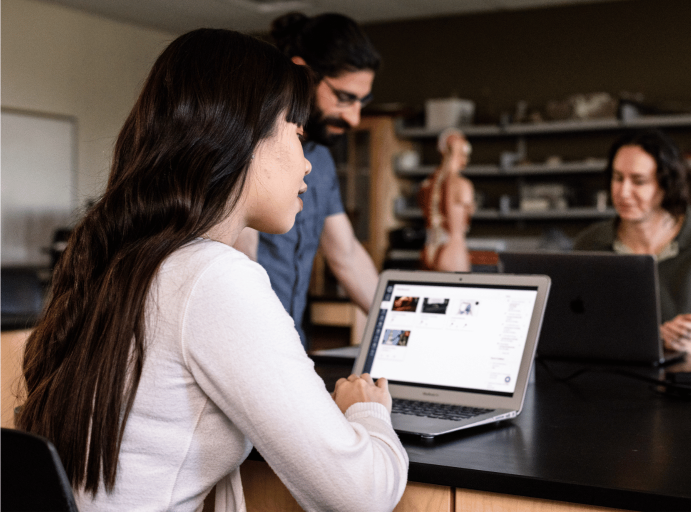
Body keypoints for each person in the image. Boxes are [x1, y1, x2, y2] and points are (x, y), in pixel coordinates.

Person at [16, 29, 407, 512]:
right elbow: (361, 495)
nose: (308, 166)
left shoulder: (121, 258)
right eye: (298, 134)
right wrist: (366, 410)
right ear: (244, 136)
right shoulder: (213, 278)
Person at [235, 12, 380, 349]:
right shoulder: (251, 145)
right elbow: (241, 260)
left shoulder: (321, 158)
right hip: (251, 345)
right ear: (302, 73)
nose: (354, 118)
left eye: (362, 101)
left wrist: (401, 329)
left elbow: (344, 254)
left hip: (291, 346)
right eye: (344, 98)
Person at [573, 129, 691, 359]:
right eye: (617, 178)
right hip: (605, 382)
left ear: (666, 184)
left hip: (683, 387)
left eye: (639, 181)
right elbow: (574, 330)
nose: (623, 192)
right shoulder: (589, 244)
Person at [417, 129, 476, 271]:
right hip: (453, 251)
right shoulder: (463, 185)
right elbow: (466, 219)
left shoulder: (426, 185)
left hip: (428, 251)